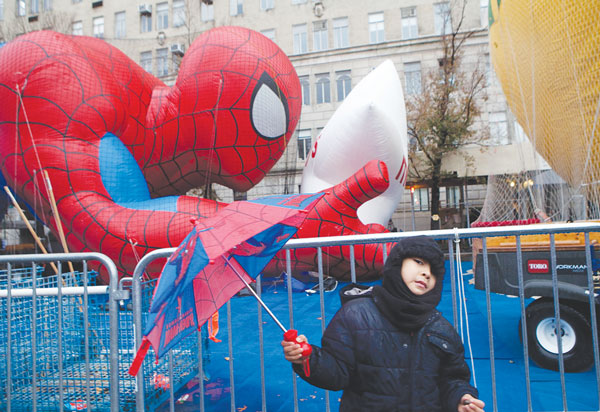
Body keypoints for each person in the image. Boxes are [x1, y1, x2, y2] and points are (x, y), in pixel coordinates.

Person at [282, 235, 485, 412]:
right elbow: (338, 372)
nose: (426, 273)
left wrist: (461, 398)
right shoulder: (355, 316)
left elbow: (453, 378)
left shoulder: (441, 328)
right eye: (419, 262)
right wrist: (307, 358)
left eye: (433, 272)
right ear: (397, 263)